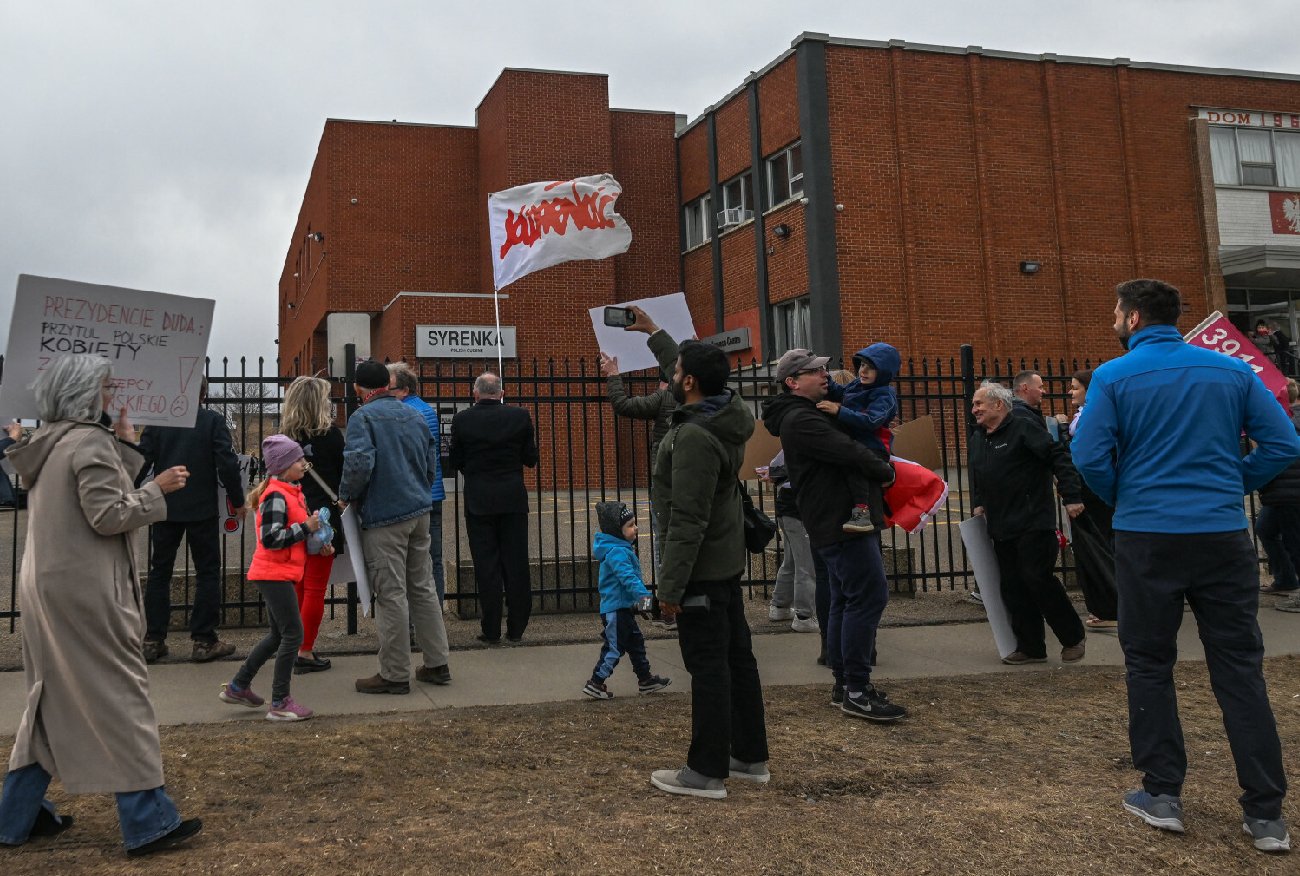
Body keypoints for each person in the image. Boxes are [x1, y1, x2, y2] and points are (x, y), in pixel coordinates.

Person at [1073, 278, 1299, 853]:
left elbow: (1090, 455)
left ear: (1130, 316)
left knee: (1149, 661)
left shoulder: (1112, 376)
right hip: (1221, 533)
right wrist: (1232, 483)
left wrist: (1127, 495)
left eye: (1115, 312)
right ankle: (1266, 813)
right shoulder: (1232, 372)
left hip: (1148, 534)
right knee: (1240, 668)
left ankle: (1163, 792)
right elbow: (1282, 445)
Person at [0, 354, 202, 856]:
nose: (114, 393)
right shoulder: (87, 440)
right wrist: (156, 488)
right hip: (87, 588)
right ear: (85, 393)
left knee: (49, 697)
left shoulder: (47, 441)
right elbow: (107, 514)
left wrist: (127, 446)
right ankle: (147, 820)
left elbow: (89, 489)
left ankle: (15, 815)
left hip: (49, 583)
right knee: (118, 692)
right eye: (107, 386)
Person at [622, 307, 769, 800]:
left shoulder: (692, 438)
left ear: (688, 383)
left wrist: (669, 590)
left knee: (708, 667)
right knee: (737, 660)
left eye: (678, 370)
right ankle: (748, 755)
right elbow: (687, 372)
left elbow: (686, 521)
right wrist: (654, 334)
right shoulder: (726, 412)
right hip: (725, 563)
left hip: (700, 570)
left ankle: (705, 772)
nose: (673, 374)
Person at [761, 348, 904, 721]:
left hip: (836, 519)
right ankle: (856, 689)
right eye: (815, 371)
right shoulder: (802, 419)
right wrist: (884, 471)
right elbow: (849, 452)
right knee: (868, 596)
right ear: (793, 382)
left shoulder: (808, 413)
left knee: (845, 597)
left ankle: (846, 685)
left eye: (825, 369)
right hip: (841, 521)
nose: (826, 375)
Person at [338, 360, 451, 695]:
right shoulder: (414, 414)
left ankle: (395, 673)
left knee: (390, 594)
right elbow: (430, 461)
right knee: (423, 588)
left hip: (385, 514)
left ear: (359, 389)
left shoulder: (363, 418)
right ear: (386, 385)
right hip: (419, 509)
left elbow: (359, 463)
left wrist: (347, 497)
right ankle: (436, 662)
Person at [969, 381, 1087, 666]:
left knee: (1036, 578)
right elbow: (980, 474)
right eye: (974, 405)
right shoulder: (979, 438)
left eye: (979, 404)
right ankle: (1031, 647)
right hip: (1001, 524)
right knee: (1012, 585)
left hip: (1033, 521)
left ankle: (1073, 637)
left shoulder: (1024, 428)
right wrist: (980, 500)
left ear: (999, 404)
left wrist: (1071, 495)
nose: (974, 410)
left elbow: (1058, 457)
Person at [139, 378, 245, 664]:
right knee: (207, 572)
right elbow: (227, 463)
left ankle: (152, 638)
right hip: (201, 507)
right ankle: (203, 639)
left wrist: (132, 495)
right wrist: (237, 499)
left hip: (165, 505)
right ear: (203, 393)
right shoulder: (211, 420)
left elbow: (141, 461)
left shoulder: (158, 423)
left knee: (159, 571)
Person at [218, 435, 322, 721]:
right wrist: (305, 527)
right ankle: (280, 701)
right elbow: (272, 538)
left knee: (278, 635)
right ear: (284, 466)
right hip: (273, 573)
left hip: (280, 572)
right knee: (293, 634)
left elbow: (293, 534)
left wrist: (316, 538)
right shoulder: (276, 495)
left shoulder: (290, 492)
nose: (304, 463)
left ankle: (239, 686)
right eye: (299, 460)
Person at [448, 372, 538, 644]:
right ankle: (517, 627)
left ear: (475, 394)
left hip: (479, 499)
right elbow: (530, 459)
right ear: (501, 393)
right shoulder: (520, 417)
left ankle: (490, 629)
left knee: (486, 566)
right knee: (516, 563)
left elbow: (455, 460)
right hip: (512, 497)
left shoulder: (463, 419)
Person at [598, 349, 677, 624]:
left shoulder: (665, 396)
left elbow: (624, 405)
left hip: (666, 482)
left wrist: (613, 375)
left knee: (664, 542)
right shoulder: (705, 398)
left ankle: (667, 609)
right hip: (698, 482)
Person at [280, 376, 345, 673]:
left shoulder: (284, 439)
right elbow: (343, 475)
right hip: (323, 518)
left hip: (293, 515)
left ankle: (292, 645)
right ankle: (304, 652)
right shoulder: (331, 436)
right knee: (316, 589)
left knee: (297, 586)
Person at [581, 501, 671, 700]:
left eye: (634, 523)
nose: (636, 528)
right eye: (630, 525)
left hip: (624, 609)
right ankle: (596, 681)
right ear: (617, 531)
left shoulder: (621, 549)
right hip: (615, 611)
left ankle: (645, 679)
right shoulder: (617, 552)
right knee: (614, 647)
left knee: (636, 643)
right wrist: (645, 599)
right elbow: (628, 579)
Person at [1054, 370, 1119, 630]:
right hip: (1089, 489)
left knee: (1098, 547)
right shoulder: (1085, 415)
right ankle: (1104, 606)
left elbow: (1087, 453)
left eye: (1075, 387)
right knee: (1091, 547)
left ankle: (1110, 607)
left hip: (1093, 491)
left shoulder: (1093, 415)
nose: (1071, 392)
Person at [817, 342, 901, 533]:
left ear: (884, 372)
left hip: (873, 445)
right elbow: (840, 392)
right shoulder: (857, 385)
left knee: (856, 471)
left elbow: (872, 420)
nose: (863, 371)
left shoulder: (885, 394)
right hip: (854, 441)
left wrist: (840, 411)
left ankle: (863, 513)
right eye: (862, 365)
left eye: (871, 367)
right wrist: (824, 376)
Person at [388, 363, 448, 606]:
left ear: (403, 390)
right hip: (432, 494)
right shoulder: (426, 410)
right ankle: (435, 616)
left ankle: (413, 622)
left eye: (388, 388)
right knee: (432, 559)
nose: (383, 392)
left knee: (405, 562)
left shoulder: (403, 414)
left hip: (411, 497)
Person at [763, 450, 818, 633]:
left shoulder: (791, 436)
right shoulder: (812, 434)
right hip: (800, 504)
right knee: (806, 564)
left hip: (786, 502)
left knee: (792, 560)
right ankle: (804, 616)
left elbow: (775, 464)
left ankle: (780, 606)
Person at [1259, 378, 1300, 602]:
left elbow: (1279, 454)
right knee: (1265, 529)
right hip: (1279, 492)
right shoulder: (1284, 419)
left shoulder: (1281, 421)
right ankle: (1286, 578)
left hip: (1287, 491)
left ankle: (1291, 582)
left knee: (1294, 542)